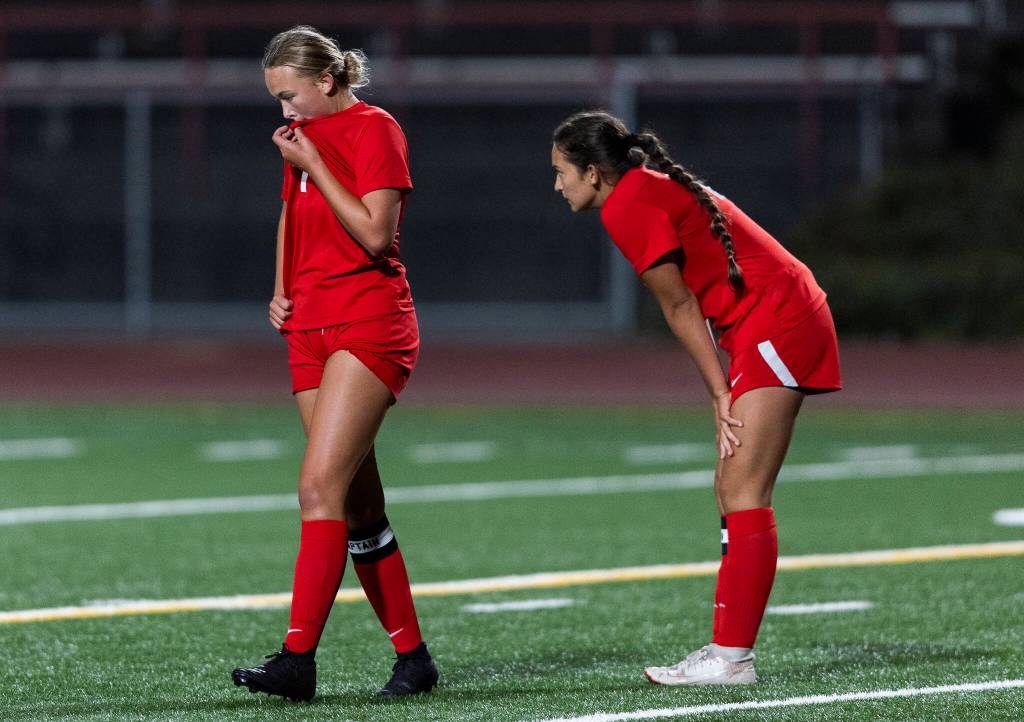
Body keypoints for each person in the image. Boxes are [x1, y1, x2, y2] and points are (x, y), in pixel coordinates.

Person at [551, 111, 841, 686]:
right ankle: (728, 653)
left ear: (592, 172)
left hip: (778, 320)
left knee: (742, 486)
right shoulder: (640, 190)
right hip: (771, 318)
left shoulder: (627, 206)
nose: (555, 185)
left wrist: (718, 393)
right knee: (731, 486)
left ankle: (732, 660)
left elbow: (680, 306)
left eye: (560, 171)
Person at [230, 26, 438, 702]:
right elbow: (292, 211)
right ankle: (413, 659)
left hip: (368, 322)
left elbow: (378, 234)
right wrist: (279, 284)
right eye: (276, 101)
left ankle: (297, 658)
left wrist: (315, 162)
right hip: (310, 326)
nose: (284, 114)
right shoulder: (301, 139)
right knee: (356, 506)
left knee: (318, 485)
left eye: (290, 96)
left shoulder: (375, 129)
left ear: (325, 80)